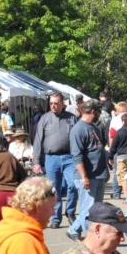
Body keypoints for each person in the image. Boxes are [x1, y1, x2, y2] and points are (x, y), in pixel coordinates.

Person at [32, 92, 78, 229]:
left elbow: (77, 138)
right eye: (51, 103)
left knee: (73, 185)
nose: (53, 106)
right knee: (55, 189)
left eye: (56, 103)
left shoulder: (72, 118)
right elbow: (38, 141)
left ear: (62, 104)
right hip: (51, 158)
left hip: (69, 157)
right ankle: (55, 218)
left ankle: (70, 212)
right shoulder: (44, 119)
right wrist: (36, 162)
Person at [66, 99, 108, 241]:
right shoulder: (78, 129)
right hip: (88, 176)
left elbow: (99, 151)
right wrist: (84, 177)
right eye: (98, 111)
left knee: (95, 210)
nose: (99, 115)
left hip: (99, 174)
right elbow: (77, 156)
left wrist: (105, 172)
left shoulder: (94, 128)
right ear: (93, 111)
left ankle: (77, 231)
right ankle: (82, 235)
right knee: (89, 210)